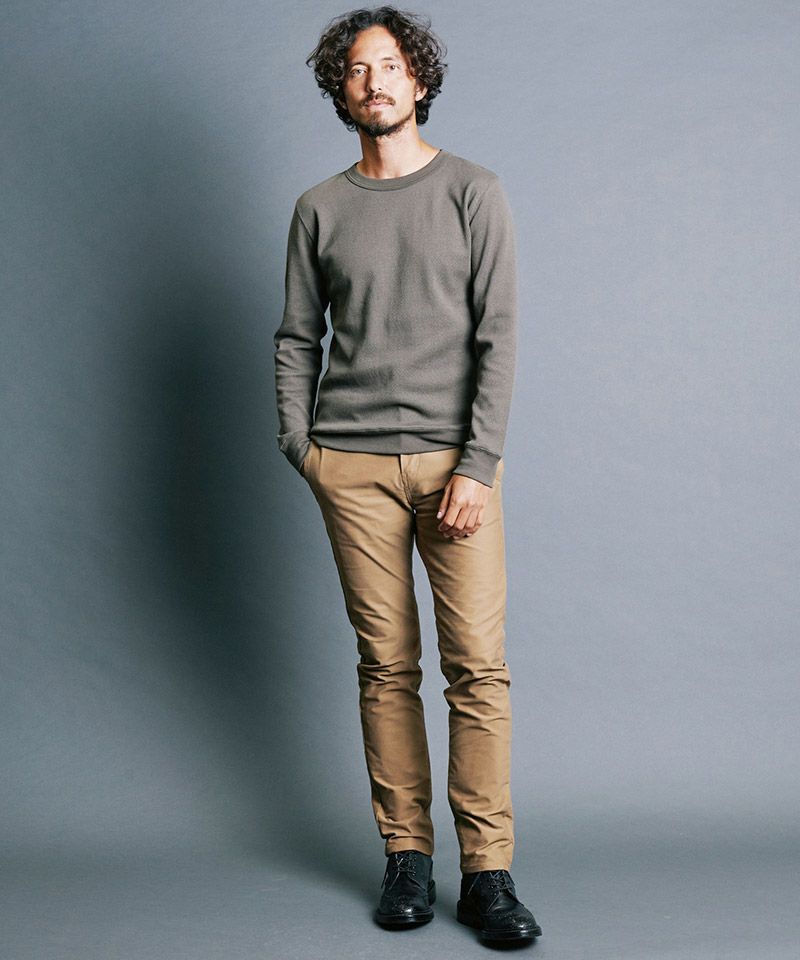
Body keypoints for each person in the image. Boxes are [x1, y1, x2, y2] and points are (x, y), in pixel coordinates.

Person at [273, 5, 542, 945]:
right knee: (386, 666)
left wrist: (479, 463)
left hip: (454, 468)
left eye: (390, 66)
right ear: (340, 91)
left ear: (418, 81)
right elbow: (297, 337)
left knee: (476, 669)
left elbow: (499, 336)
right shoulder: (319, 208)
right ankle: (407, 859)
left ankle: (489, 875)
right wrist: (302, 448)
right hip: (350, 468)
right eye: (357, 69)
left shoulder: (473, 191)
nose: (374, 81)